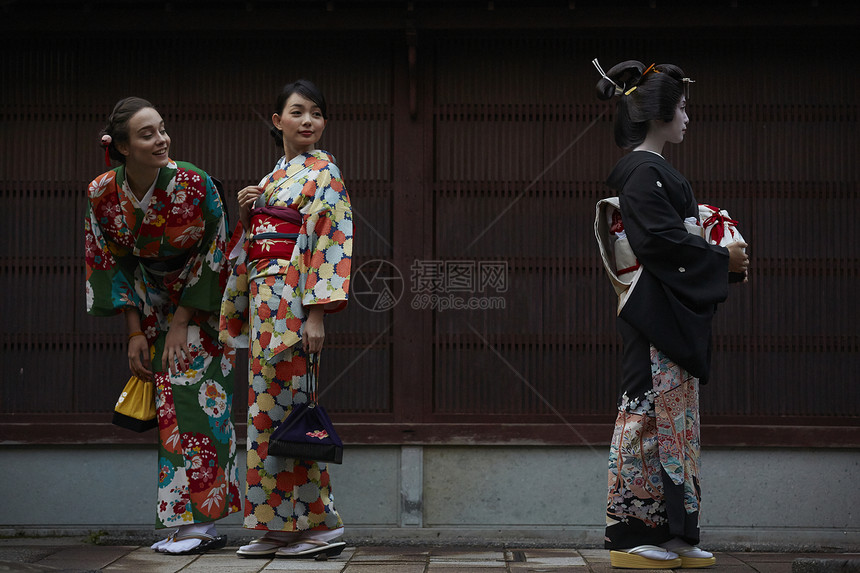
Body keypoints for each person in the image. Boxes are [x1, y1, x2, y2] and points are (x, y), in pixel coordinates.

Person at [592, 60, 749, 569]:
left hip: (667, 308)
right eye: (682, 107)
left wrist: (714, 250)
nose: (687, 117)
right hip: (651, 310)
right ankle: (630, 532)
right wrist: (720, 260)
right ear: (658, 112)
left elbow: (674, 237)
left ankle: (675, 530)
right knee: (645, 414)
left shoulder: (653, 172)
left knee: (676, 421)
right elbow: (659, 243)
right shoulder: (642, 173)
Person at [85, 97, 240, 555]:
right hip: (148, 301)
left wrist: (183, 320)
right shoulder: (100, 193)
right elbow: (109, 261)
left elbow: (217, 250)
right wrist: (134, 329)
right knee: (169, 406)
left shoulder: (194, 184)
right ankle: (189, 523)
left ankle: (199, 526)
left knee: (198, 403)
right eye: (148, 134)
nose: (162, 140)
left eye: (163, 130)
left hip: (202, 303)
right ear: (122, 147)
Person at [220, 79, 353, 559]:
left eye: (316, 113)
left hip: (294, 306)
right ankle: (277, 524)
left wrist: (315, 314)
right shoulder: (278, 175)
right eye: (297, 112)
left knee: (296, 413)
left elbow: (328, 240)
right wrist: (251, 211)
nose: (308, 121)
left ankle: (316, 525)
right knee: (265, 415)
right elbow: (258, 244)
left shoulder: (325, 173)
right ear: (277, 121)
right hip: (264, 304)